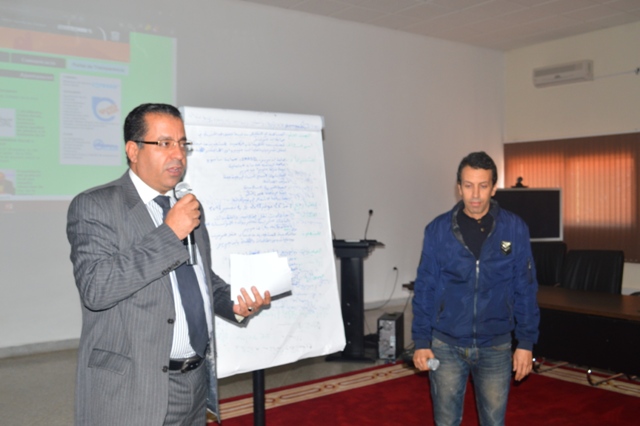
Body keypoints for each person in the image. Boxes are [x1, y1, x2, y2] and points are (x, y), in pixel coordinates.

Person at [67, 103, 271, 426]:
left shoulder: (186, 205)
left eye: (182, 143)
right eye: (164, 143)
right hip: (132, 389)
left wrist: (233, 302)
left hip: (194, 384)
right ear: (133, 150)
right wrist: (170, 233)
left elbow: (198, 277)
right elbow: (97, 288)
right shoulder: (96, 206)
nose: (178, 154)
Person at [412, 151, 539, 426]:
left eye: (483, 185)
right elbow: (425, 288)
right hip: (445, 345)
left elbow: (525, 288)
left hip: (496, 345)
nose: (476, 195)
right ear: (459, 187)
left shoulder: (514, 229)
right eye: (468, 185)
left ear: (494, 187)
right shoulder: (437, 230)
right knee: (446, 422)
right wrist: (421, 342)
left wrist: (526, 343)